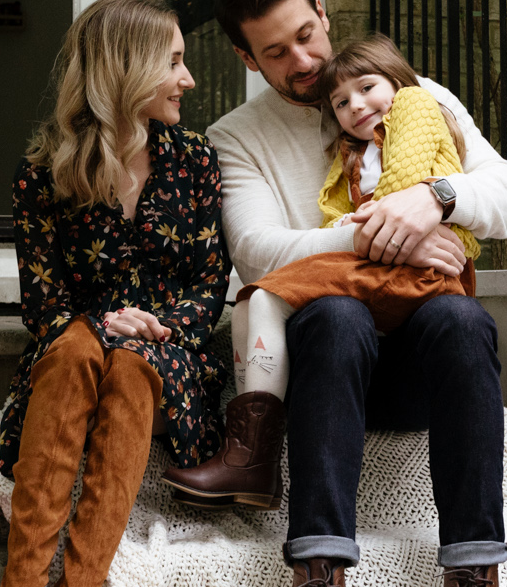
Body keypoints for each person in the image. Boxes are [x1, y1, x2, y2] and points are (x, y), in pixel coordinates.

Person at [197, 0, 507, 587]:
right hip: (321, 366)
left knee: (459, 316)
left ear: (321, 9)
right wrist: (388, 229)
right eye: (276, 52)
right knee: (336, 313)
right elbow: (258, 250)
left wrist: (437, 199)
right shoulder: (236, 137)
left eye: (308, 35)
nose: (305, 62)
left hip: (417, 367)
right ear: (247, 58)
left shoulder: (412, 97)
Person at [0, 0, 230, 587]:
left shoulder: (194, 161)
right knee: (74, 350)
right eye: (175, 62)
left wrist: (150, 325)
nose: (187, 79)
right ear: (127, 69)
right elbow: (42, 301)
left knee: (129, 366)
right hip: (74, 349)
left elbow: (209, 282)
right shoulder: (44, 174)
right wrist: (103, 321)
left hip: (169, 356)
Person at [164, 33, 479, 507]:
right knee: (257, 299)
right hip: (388, 264)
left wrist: (372, 225)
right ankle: (250, 450)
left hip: (417, 273)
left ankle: (251, 457)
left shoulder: (415, 105)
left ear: (396, 82)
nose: (355, 106)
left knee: (264, 295)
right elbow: (337, 213)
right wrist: (353, 227)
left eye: (368, 88)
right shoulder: (359, 147)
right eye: (341, 103)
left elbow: (402, 188)